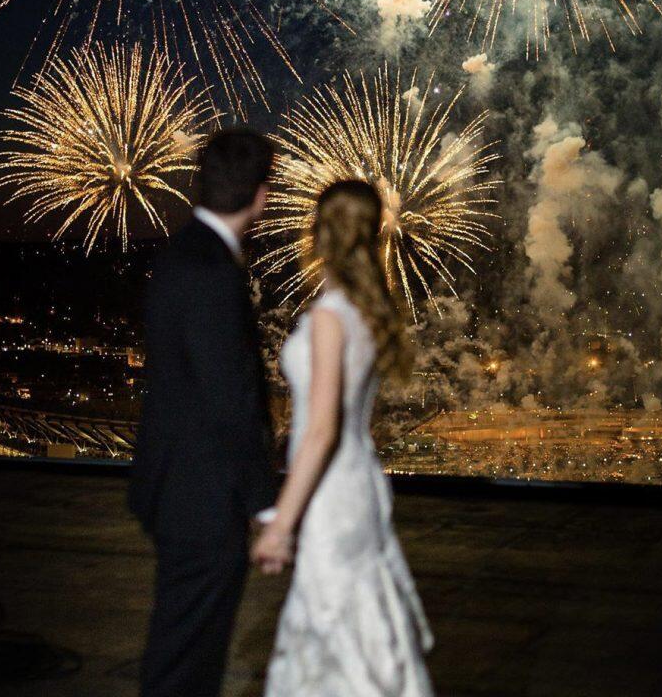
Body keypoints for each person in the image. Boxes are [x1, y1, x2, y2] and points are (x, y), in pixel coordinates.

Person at [252, 179, 434, 695]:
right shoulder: (368, 312)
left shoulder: (332, 318)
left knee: (330, 622)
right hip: (362, 484)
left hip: (332, 491)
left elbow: (320, 431)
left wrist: (280, 523)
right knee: (356, 623)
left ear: (322, 233)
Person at [129, 127, 283, 697]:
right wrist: (264, 506)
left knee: (179, 648)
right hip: (202, 496)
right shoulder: (213, 271)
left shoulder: (179, 252)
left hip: (173, 484)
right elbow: (231, 398)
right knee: (189, 659)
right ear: (262, 196)